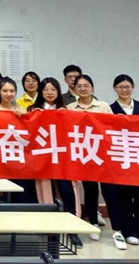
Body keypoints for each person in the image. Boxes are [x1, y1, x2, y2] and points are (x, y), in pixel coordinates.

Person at [28, 77, 82, 247]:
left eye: (53, 89)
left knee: (68, 191)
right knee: (46, 192)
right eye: (46, 90)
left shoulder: (66, 110)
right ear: (41, 92)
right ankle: (49, 226)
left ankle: (73, 229)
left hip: (62, 159)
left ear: (58, 91)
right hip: (42, 158)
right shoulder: (32, 110)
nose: (49, 93)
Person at [67, 74, 115, 245]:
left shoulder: (103, 106)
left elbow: (113, 127)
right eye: (79, 86)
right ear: (74, 89)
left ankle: (116, 229)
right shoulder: (70, 108)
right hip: (84, 155)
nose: (83, 89)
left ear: (92, 88)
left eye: (86, 85)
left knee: (109, 192)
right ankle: (93, 223)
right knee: (90, 191)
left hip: (103, 155)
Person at [110, 74, 139, 248]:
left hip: (138, 158)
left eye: (127, 87)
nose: (124, 90)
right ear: (115, 89)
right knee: (125, 198)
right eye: (120, 87)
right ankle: (129, 231)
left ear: (133, 88)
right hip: (120, 159)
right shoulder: (110, 109)